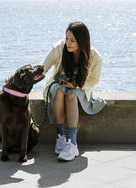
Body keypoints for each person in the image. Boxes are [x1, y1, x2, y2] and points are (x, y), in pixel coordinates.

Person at [41, 21, 106, 161]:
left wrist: (76, 87)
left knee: (71, 96)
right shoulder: (59, 48)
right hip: (58, 84)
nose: (68, 43)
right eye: (66, 39)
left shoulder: (95, 57)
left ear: (81, 41)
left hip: (80, 87)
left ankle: (72, 144)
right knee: (59, 92)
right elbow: (42, 68)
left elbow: (93, 80)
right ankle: (60, 138)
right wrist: (17, 78)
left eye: (72, 40)